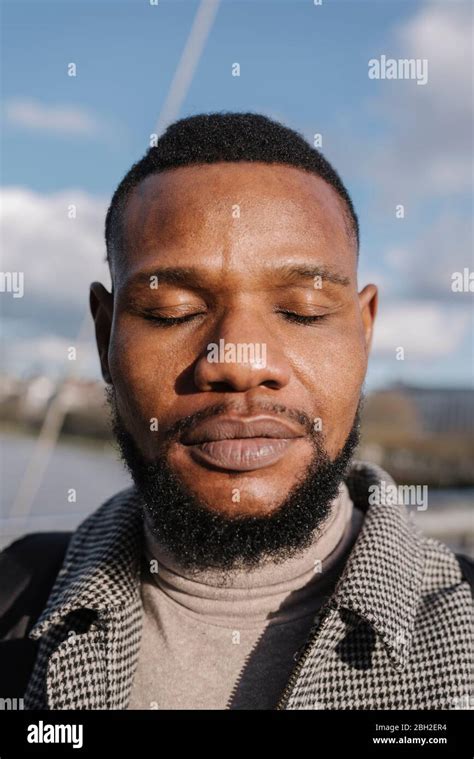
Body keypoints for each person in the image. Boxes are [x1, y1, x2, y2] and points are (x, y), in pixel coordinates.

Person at [1, 112, 472, 710]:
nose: (240, 362)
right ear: (104, 338)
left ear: (365, 332)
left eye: (301, 311)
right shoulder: (11, 601)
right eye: (171, 311)